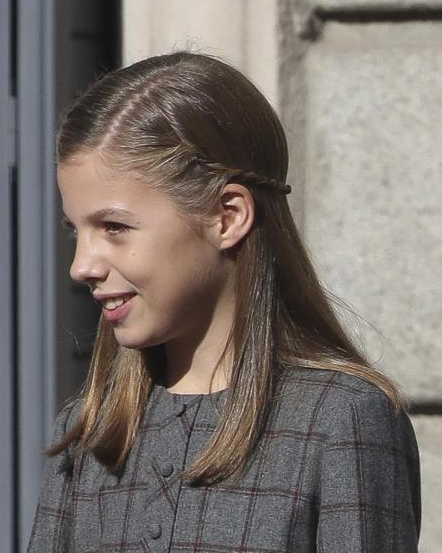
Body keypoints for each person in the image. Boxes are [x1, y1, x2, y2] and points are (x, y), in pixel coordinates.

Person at [27, 53, 420, 552]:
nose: (82, 266)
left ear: (228, 216)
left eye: (115, 228)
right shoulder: (91, 434)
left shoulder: (341, 421)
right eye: (76, 231)